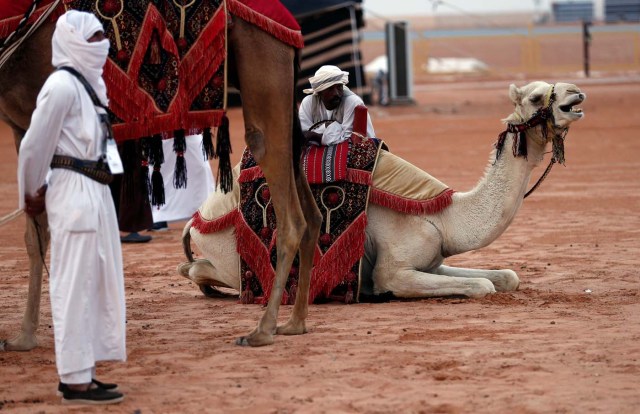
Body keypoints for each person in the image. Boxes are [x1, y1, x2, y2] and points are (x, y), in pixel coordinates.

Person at [17, 10, 126, 405]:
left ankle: (85, 372)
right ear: (74, 43)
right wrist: (32, 191)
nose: (103, 44)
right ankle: (73, 381)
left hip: (95, 190)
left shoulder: (91, 85)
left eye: (102, 37)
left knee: (95, 284)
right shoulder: (60, 86)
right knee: (73, 286)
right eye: (94, 38)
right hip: (72, 190)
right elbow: (34, 145)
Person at [148, 134, 217, 231]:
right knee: (160, 167)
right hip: (161, 128)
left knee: (200, 167)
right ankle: (159, 215)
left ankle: (201, 211)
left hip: (189, 127)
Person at [299, 65, 376, 146]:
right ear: (320, 92)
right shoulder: (308, 102)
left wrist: (316, 136)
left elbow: (349, 140)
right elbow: (304, 135)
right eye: (330, 89)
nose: (336, 93)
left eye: (339, 87)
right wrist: (332, 133)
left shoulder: (352, 102)